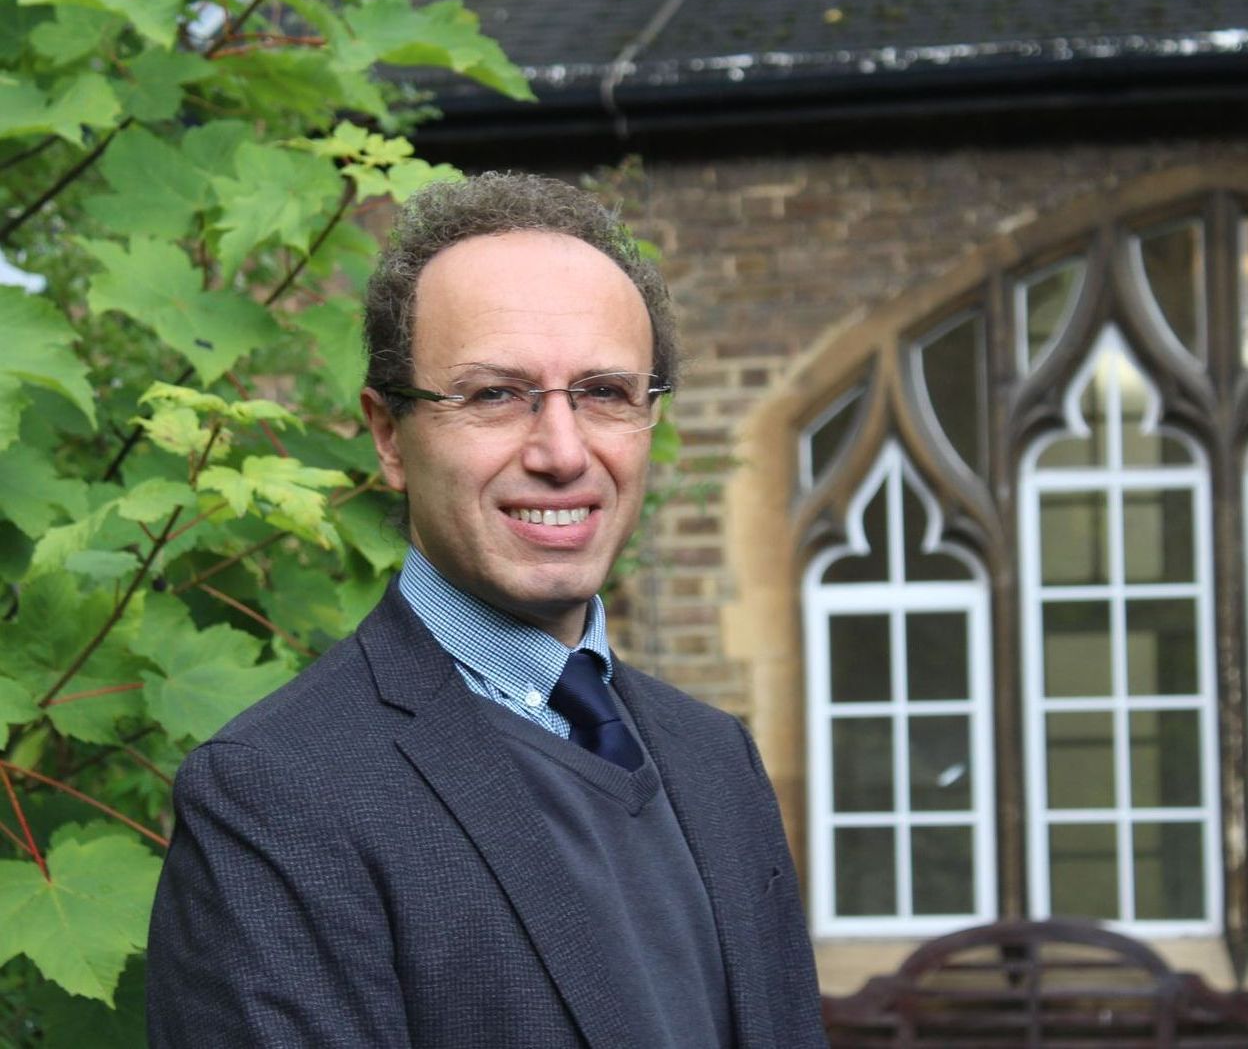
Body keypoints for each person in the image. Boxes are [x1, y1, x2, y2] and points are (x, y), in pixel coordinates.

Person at [145, 172, 826, 1048]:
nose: (561, 451)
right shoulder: (277, 794)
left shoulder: (714, 759)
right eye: (496, 394)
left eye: (605, 393)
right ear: (389, 435)